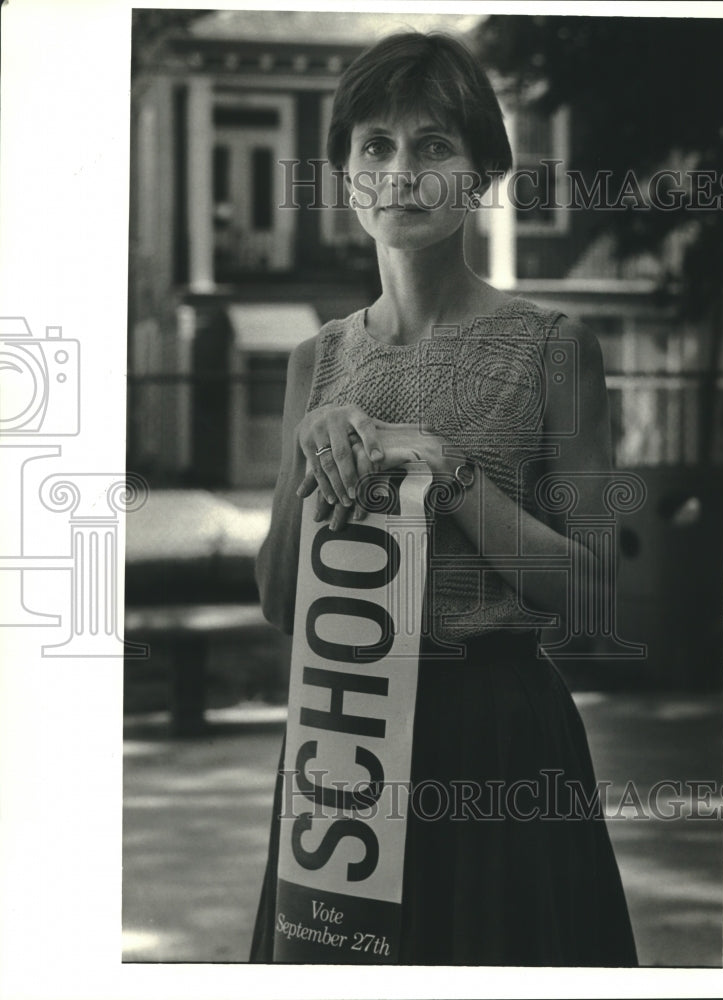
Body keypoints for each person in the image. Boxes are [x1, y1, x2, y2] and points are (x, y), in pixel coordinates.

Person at [250, 30, 638, 967]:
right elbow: (278, 603)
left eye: (433, 146)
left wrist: (452, 470)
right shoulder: (319, 360)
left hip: (497, 736)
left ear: (481, 173)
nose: (400, 173)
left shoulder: (554, 348)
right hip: (342, 723)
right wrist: (311, 465)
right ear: (343, 172)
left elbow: (596, 594)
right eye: (375, 146)